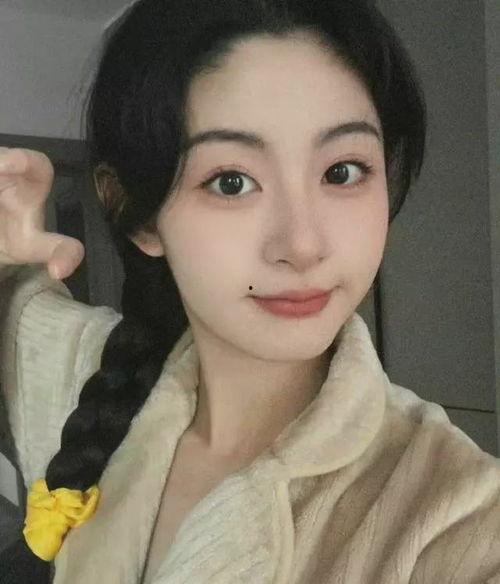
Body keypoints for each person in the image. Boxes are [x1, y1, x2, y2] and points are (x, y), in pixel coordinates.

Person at [0, 0, 499, 582]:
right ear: (136, 211)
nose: (303, 245)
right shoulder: (81, 371)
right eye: (232, 182)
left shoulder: (457, 510)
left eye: (342, 171)